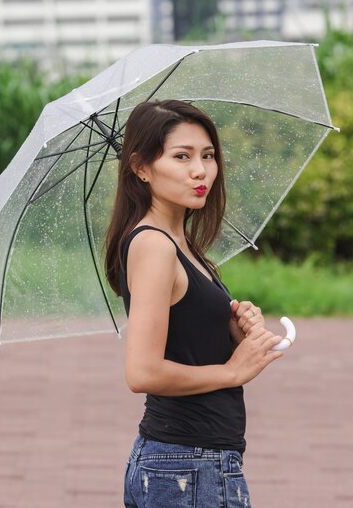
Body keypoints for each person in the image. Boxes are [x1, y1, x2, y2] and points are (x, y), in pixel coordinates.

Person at [105, 99, 283, 508]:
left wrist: (230, 332)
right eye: (181, 156)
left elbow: (182, 341)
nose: (200, 170)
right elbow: (143, 372)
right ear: (141, 167)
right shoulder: (154, 244)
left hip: (188, 465)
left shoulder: (182, 244)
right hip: (188, 466)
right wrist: (231, 371)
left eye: (207, 156)